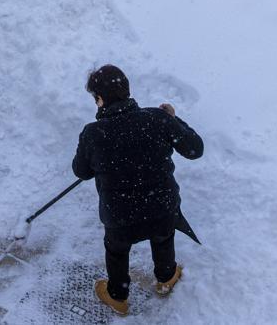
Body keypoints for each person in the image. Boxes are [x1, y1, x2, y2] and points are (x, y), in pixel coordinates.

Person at [71, 65, 204, 316]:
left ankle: (118, 296)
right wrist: (172, 119)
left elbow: (82, 172)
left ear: (100, 99)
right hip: (162, 209)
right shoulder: (157, 118)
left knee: (117, 251)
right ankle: (166, 278)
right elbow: (195, 150)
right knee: (163, 238)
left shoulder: (93, 133)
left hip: (120, 218)